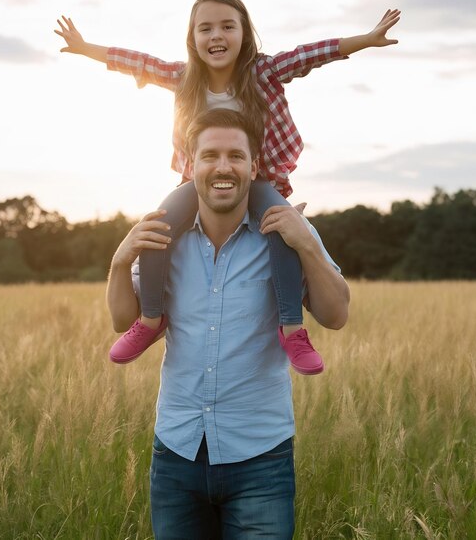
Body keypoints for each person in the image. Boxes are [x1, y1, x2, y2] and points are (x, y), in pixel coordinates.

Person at [56, 0, 397, 374]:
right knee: (157, 224)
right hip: (198, 181)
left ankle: (291, 328)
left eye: (227, 27)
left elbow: (310, 54)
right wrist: (85, 49)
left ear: (243, 34)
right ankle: (151, 318)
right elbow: (140, 61)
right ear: (193, 39)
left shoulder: (263, 72)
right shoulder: (184, 77)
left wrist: (367, 40)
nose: (216, 36)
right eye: (205, 28)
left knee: (282, 228)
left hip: (259, 177)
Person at [106, 108, 350, 539]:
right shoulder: (164, 240)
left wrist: (308, 244)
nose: (223, 167)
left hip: (260, 460)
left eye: (236, 156)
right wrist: (119, 262)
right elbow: (122, 319)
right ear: (190, 166)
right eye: (210, 155)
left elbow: (335, 316)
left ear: (254, 166)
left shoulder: (287, 234)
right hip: (176, 454)